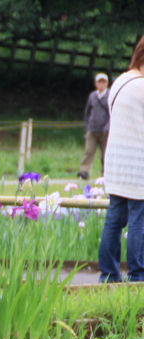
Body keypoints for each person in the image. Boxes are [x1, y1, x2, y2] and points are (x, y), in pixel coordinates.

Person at [97, 37, 144, 283]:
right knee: (139, 219)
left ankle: (108, 275)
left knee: (114, 219)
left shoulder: (120, 81)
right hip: (138, 162)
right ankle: (138, 275)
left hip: (115, 161)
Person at [79, 73, 110, 180]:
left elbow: (112, 112)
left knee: (105, 152)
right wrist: (87, 126)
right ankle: (84, 171)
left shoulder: (109, 95)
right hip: (92, 128)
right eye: (99, 82)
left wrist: (108, 126)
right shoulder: (92, 96)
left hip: (105, 130)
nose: (101, 84)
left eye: (103, 82)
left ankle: (106, 172)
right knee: (88, 150)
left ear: (107, 83)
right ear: (95, 83)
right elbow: (87, 111)